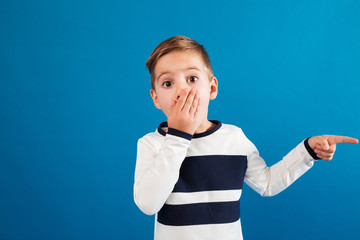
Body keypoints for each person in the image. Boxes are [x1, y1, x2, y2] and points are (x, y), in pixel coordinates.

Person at [133, 35, 358, 240]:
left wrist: (307, 150)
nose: (182, 90)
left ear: (212, 88)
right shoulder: (151, 144)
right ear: (155, 98)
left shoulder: (234, 138)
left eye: (192, 78)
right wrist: (178, 137)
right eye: (168, 83)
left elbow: (268, 183)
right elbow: (148, 204)